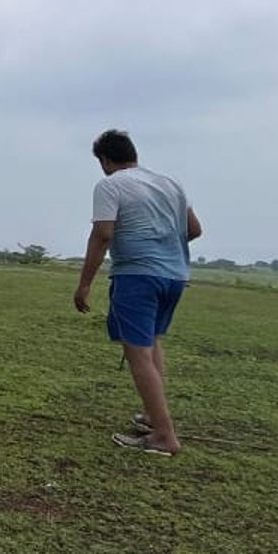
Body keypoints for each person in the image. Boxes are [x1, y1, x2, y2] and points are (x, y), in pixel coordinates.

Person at [73, 129, 202, 455]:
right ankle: (151, 415)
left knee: (137, 353)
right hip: (174, 276)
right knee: (152, 342)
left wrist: (85, 283)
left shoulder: (110, 185)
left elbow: (103, 234)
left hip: (137, 275)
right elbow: (194, 229)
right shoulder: (169, 184)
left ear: (104, 160)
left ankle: (163, 436)